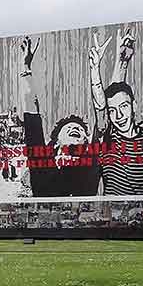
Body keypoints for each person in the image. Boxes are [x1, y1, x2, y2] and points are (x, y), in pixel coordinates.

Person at [89, 30, 143, 196]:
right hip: (114, 210)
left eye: (124, 107)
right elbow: (101, 104)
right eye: (112, 111)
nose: (119, 116)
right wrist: (95, 68)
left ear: (134, 106)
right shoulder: (108, 138)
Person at [18, 36, 99, 197]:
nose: (76, 128)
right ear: (55, 142)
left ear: (86, 141)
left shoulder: (90, 165)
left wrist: (96, 70)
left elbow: (101, 119)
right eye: (69, 128)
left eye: (80, 130)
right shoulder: (42, 164)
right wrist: (26, 66)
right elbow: (31, 113)